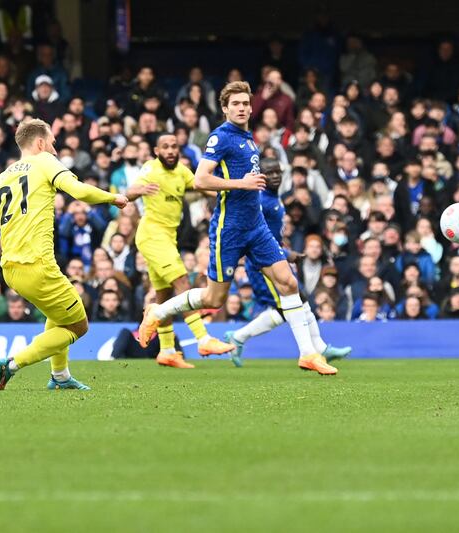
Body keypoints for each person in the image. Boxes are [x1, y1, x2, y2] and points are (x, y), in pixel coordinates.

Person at [138, 82, 338, 375]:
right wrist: (240, 184)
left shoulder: (248, 137)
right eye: (236, 104)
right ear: (225, 108)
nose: (242, 108)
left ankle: (308, 353)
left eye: (246, 103)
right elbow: (200, 180)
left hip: (255, 226)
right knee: (213, 299)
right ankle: (157, 311)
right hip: (229, 227)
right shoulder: (221, 137)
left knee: (289, 283)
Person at [0, 118, 128, 390]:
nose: (56, 151)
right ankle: (11, 364)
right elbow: (78, 191)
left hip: (10, 271)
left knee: (57, 314)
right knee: (78, 327)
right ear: (41, 142)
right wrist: (113, 198)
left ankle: (60, 376)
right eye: (54, 144)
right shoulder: (45, 161)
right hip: (38, 266)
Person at [222, 158, 351, 367]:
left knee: (297, 300)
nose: (274, 176)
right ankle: (314, 350)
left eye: (277, 172)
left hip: (275, 259)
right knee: (289, 307)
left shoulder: (276, 198)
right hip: (261, 265)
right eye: (268, 173)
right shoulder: (260, 202)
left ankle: (318, 347)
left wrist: (284, 252)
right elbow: (255, 238)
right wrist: (285, 252)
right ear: (259, 175)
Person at [126, 133, 234, 368]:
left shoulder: (182, 171)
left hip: (167, 238)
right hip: (152, 235)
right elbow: (130, 191)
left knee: (164, 295)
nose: (171, 150)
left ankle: (166, 350)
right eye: (165, 147)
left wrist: (231, 191)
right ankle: (203, 338)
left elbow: (201, 184)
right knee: (182, 282)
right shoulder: (150, 168)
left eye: (174, 146)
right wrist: (141, 190)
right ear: (157, 150)